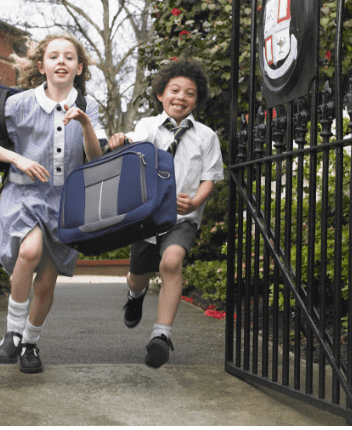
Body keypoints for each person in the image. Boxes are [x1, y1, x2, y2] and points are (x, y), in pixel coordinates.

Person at [0, 34, 105, 373]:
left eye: (69, 57)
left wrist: (86, 123)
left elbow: (96, 156)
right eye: (53, 56)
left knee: (46, 280)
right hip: (25, 195)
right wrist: (17, 158)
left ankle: (30, 343)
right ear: (42, 65)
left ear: (79, 67)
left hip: (66, 202)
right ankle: (12, 334)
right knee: (29, 252)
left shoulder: (88, 106)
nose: (61, 61)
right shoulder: (21, 103)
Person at [108, 57, 225, 368]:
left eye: (189, 93)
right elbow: (135, 145)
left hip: (181, 218)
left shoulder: (206, 136)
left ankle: (161, 336)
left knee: (171, 263)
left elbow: (209, 177)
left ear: (196, 100)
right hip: (147, 216)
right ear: (161, 94)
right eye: (174, 90)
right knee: (137, 276)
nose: (181, 97)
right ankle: (135, 297)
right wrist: (121, 140)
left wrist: (196, 202)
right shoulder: (148, 126)